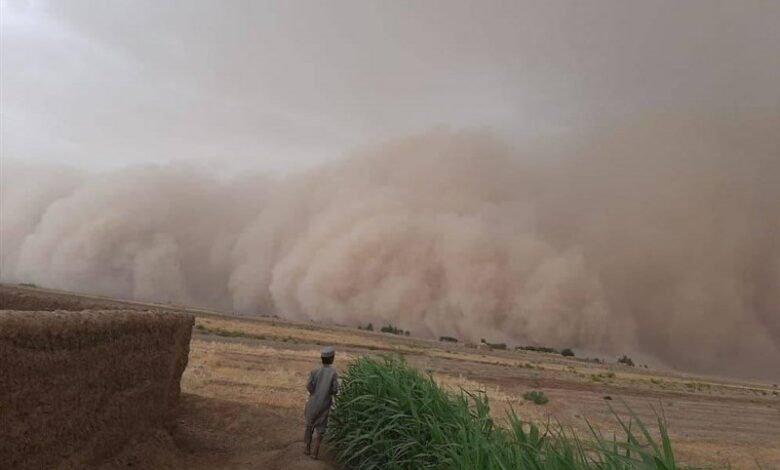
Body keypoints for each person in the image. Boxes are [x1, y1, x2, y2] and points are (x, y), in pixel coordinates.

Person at [303, 346, 338, 459]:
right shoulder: (333, 373)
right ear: (332, 358)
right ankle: (315, 452)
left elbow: (308, 386)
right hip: (324, 404)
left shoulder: (314, 371)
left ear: (321, 358)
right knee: (321, 428)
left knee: (309, 425)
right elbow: (335, 390)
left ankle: (307, 448)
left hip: (313, 402)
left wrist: (314, 392)